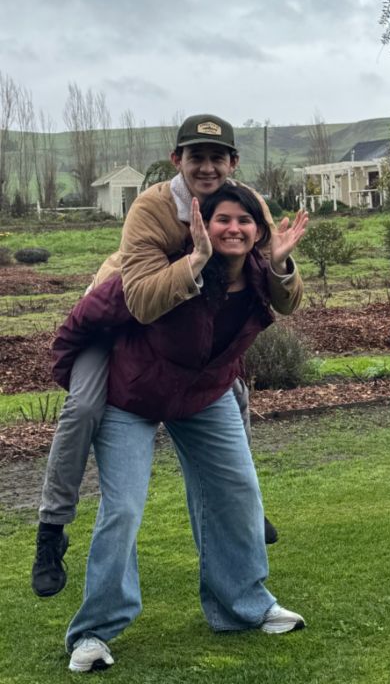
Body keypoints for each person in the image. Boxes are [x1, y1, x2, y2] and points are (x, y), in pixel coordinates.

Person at [32, 114, 307, 596]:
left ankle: (245, 507)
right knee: (84, 407)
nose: (207, 167)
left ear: (233, 162)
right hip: (115, 321)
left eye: (217, 157)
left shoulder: (244, 203)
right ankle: (52, 528)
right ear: (177, 159)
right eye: (196, 156)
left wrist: (281, 265)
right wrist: (197, 258)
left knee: (231, 388)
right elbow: (139, 301)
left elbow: (266, 279)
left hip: (181, 327)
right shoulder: (153, 206)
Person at [52, 183, 307, 673]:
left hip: (204, 395)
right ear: (201, 227)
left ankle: (244, 605)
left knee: (237, 491)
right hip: (133, 395)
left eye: (244, 221)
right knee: (123, 508)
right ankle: (93, 631)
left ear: (257, 232)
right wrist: (75, 377)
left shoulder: (259, 271)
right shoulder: (165, 270)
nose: (234, 228)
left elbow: (288, 301)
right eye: (223, 219)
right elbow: (88, 314)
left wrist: (279, 262)